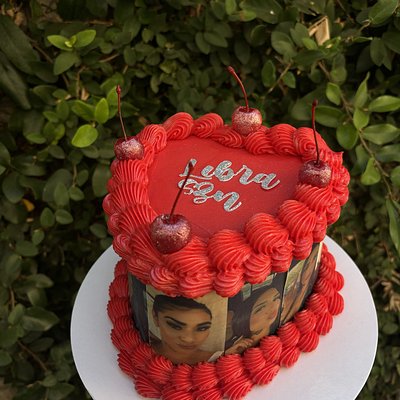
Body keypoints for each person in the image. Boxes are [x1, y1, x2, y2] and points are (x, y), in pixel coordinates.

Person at [151, 295, 219, 364]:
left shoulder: (218, 359)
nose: (188, 339)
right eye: (175, 326)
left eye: (202, 328)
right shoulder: (146, 350)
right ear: (155, 318)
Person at [225, 286, 281, 355]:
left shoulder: (280, 329)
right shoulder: (231, 347)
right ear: (244, 320)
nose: (272, 307)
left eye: (276, 298)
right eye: (260, 308)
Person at [280, 244, 320, 324]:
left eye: (314, 259)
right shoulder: (289, 297)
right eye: (306, 266)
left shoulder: (309, 295)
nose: (309, 269)